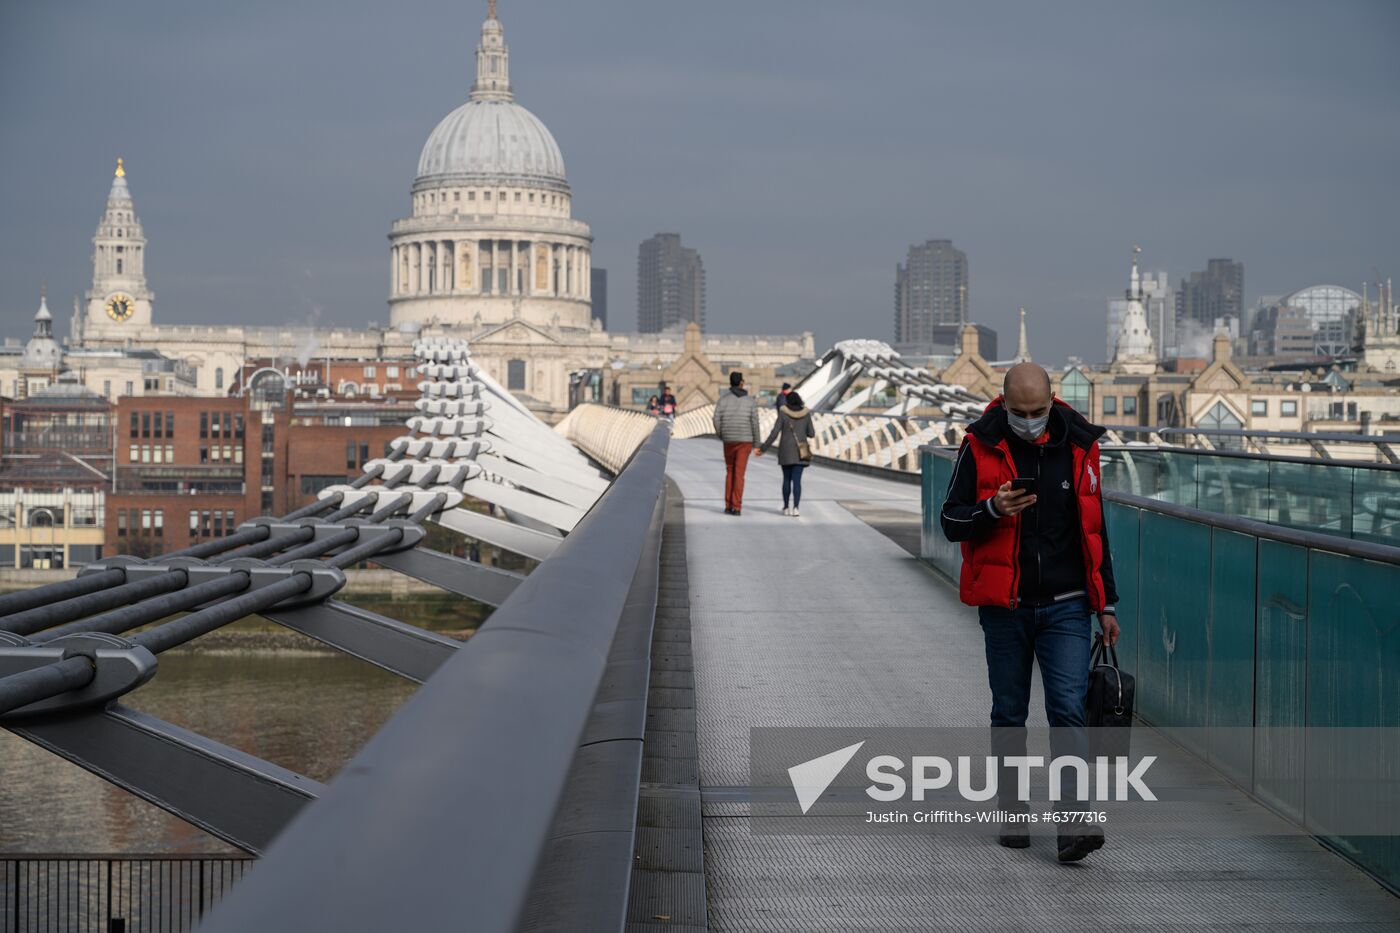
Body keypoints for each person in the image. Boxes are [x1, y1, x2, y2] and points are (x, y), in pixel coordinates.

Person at [939, 362, 1120, 863]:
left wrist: (1106, 603)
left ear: (1052, 399)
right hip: (1006, 607)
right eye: (1018, 412)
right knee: (1009, 711)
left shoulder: (1080, 444)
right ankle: (1013, 811)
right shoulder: (978, 445)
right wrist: (992, 510)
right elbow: (950, 519)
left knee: (1067, 708)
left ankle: (1074, 823)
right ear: (1003, 403)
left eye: (1037, 410)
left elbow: (1095, 528)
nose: (1028, 421)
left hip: (1067, 605)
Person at [757, 390, 814, 516]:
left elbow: (774, 433)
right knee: (797, 481)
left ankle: (786, 507)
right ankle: (796, 508)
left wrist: (763, 448)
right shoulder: (806, 414)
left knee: (786, 480)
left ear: (787, 401)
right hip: (801, 452)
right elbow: (811, 433)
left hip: (786, 451)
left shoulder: (783, 413)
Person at [712, 370, 761, 515]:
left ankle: (728, 505)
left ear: (730, 383)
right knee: (739, 474)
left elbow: (716, 419)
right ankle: (737, 506)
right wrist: (757, 444)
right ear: (742, 383)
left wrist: (722, 434)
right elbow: (755, 423)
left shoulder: (723, 400)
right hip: (745, 441)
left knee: (730, 471)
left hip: (729, 440)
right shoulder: (750, 401)